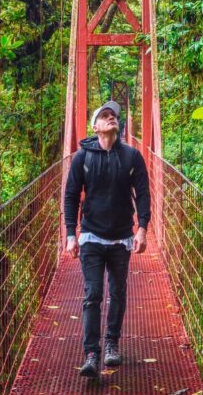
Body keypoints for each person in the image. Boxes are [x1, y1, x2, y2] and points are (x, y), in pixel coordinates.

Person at [63, 100, 151, 378]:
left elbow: (144, 193)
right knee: (93, 295)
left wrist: (143, 228)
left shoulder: (132, 156)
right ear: (95, 127)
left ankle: (111, 342)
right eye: (105, 115)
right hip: (90, 235)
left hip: (121, 236)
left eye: (114, 115)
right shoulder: (82, 158)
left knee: (118, 293)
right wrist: (69, 234)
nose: (111, 117)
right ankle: (91, 353)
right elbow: (70, 196)